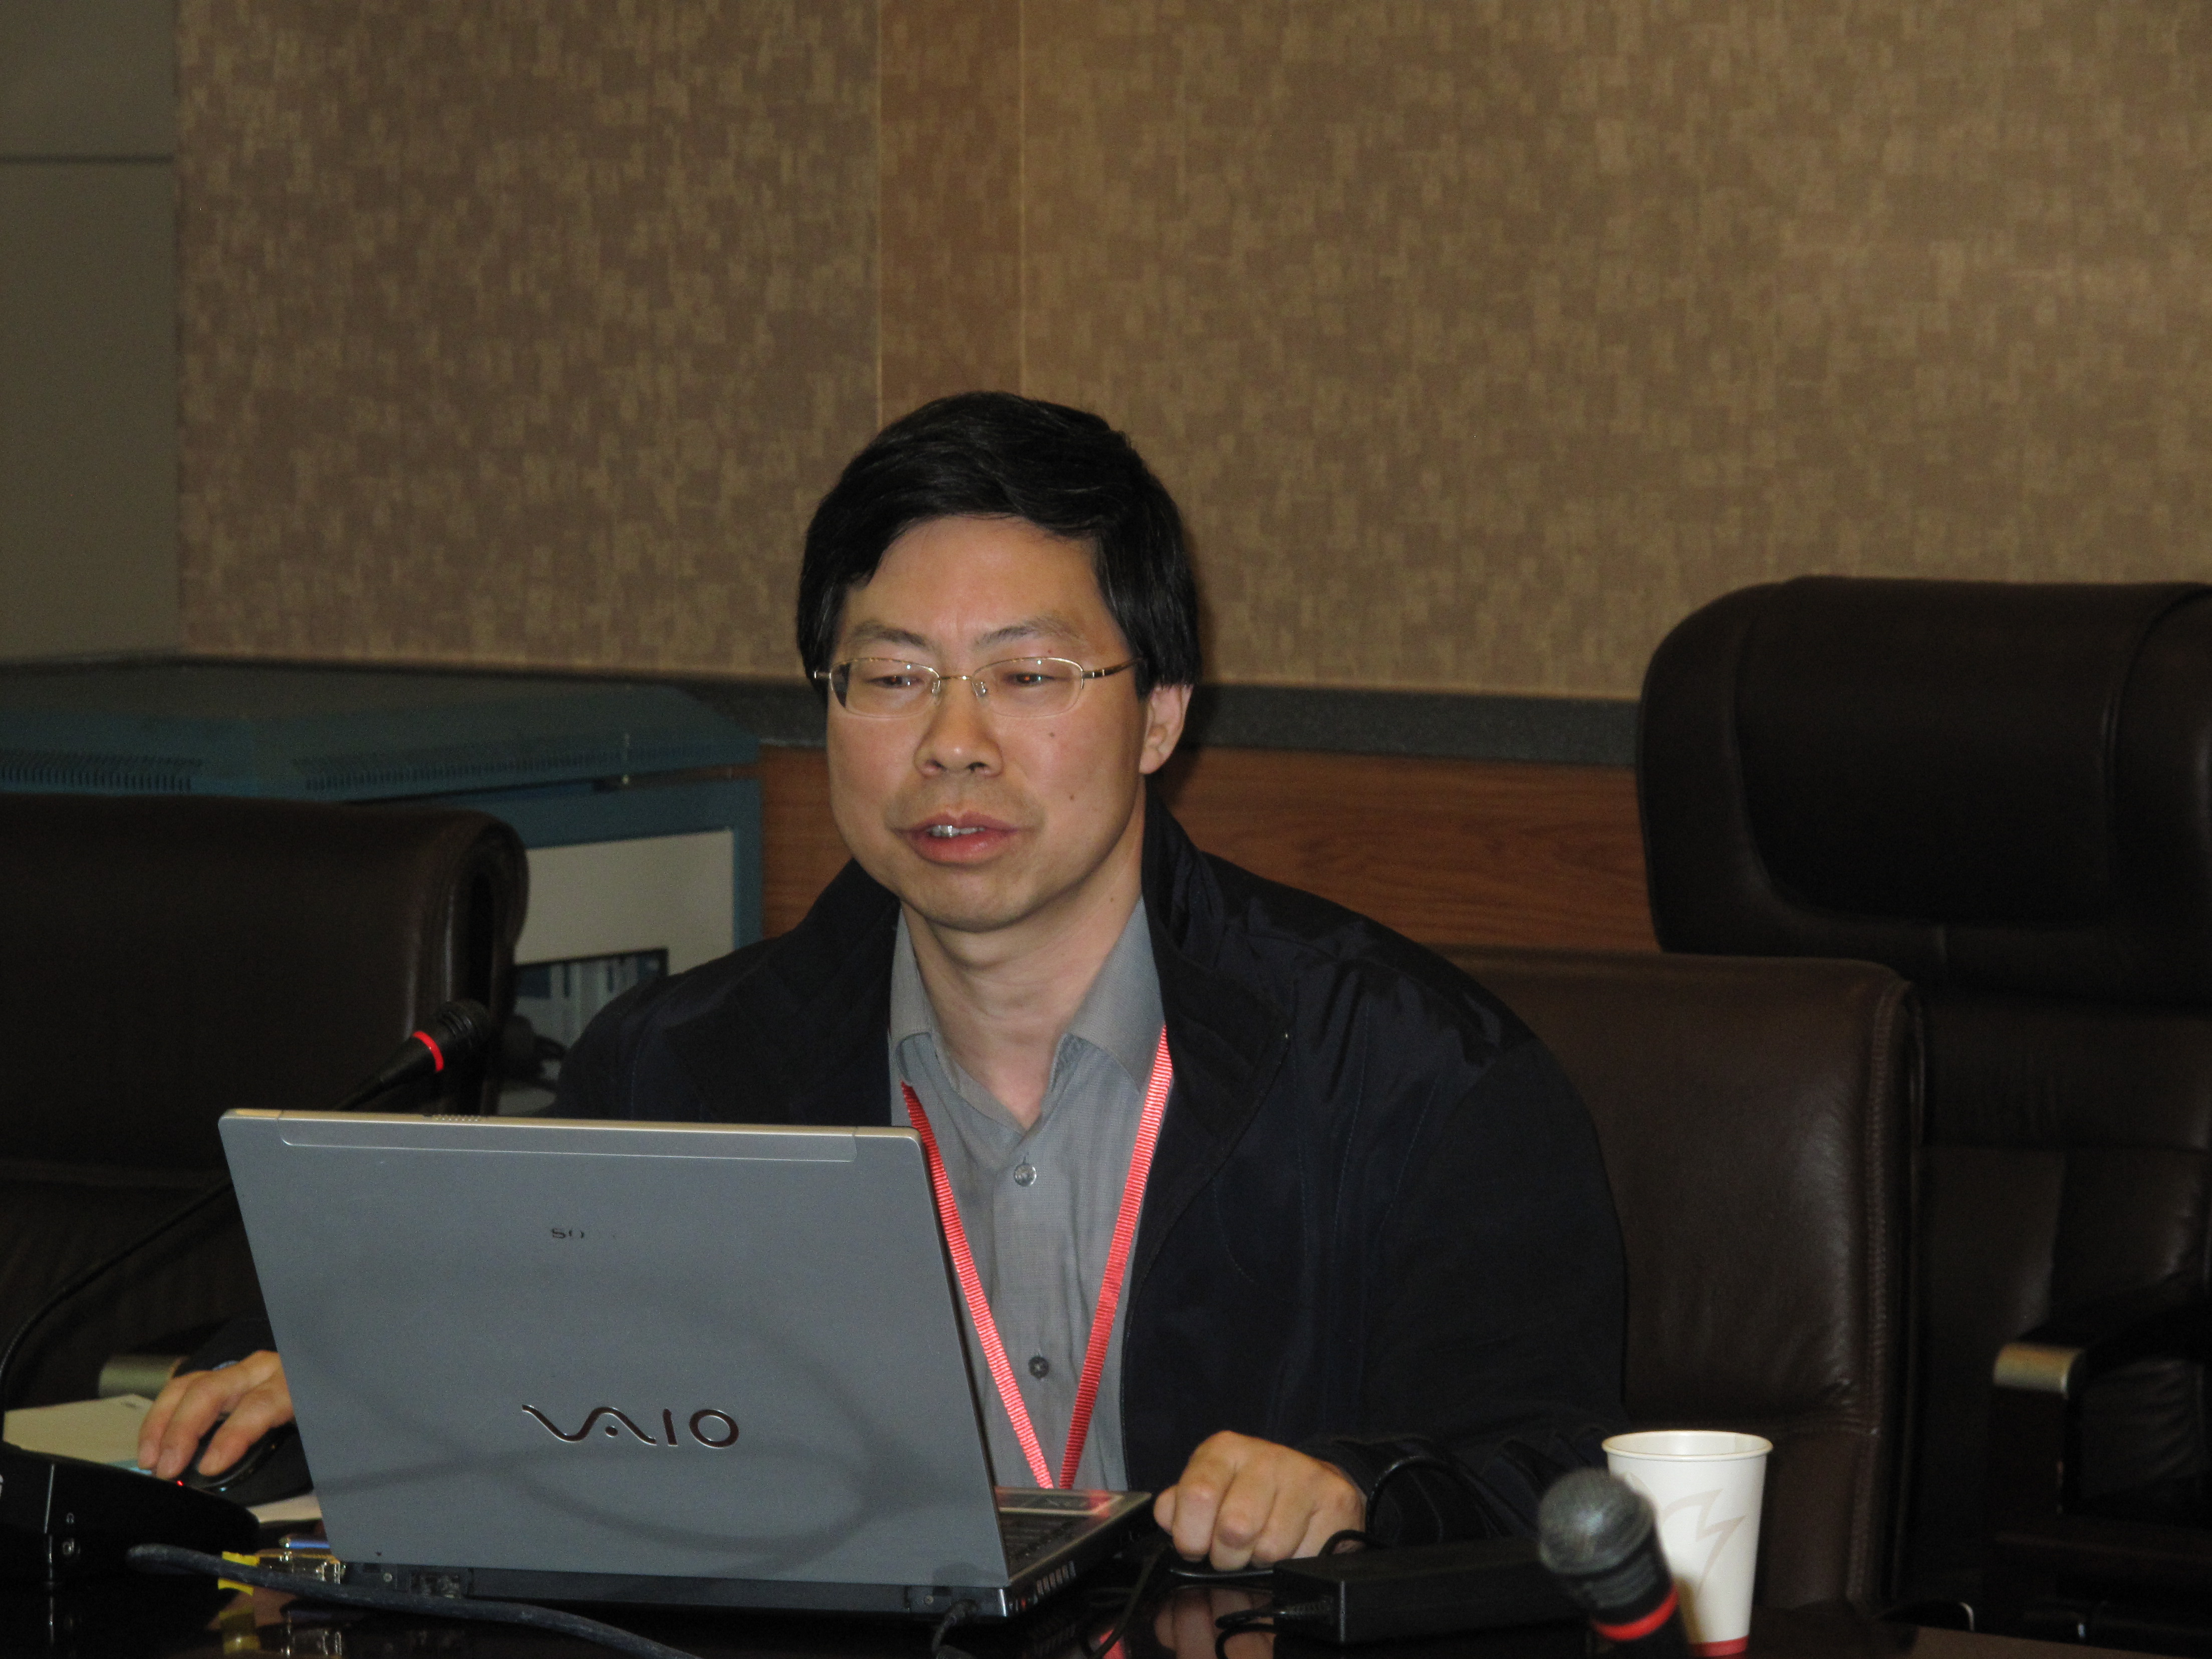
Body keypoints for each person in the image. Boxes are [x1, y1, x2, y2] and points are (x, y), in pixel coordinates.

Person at [141, 392, 1625, 1569]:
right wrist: (363, 1389)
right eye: (894, 677)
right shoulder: (678, 1076)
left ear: (1164, 713)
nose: (953, 743)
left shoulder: (1416, 1075)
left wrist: (1360, 1491)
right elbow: (547, 1412)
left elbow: (1559, 1481)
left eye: (1029, 677)